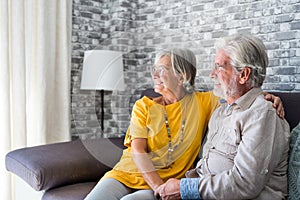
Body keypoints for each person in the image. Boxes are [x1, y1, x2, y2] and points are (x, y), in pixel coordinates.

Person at [85, 48, 283, 200]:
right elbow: (138, 150)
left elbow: (239, 95)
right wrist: (158, 189)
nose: (155, 74)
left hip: (170, 181)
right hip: (128, 173)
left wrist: (267, 97)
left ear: (182, 76)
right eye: (154, 69)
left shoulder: (204, 102)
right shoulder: (143, 105)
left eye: (162, 69)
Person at [155, 34, 290, 200]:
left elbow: (245, 183)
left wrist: (184, 188)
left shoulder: (263, 114)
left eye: (219, 67)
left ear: (243, 75)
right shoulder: (221, 109)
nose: (212, 74)